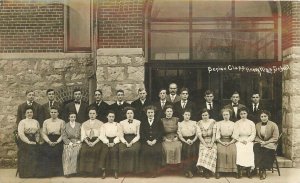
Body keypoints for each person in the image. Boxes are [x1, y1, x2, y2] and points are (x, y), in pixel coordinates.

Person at [39, 106, 65, 177]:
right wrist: (48, 141)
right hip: (48, 139)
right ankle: (48, 173)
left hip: (58, 139)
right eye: (52, 112)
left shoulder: (61, 122)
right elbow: (44, 133)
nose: (53, 113)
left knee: (57, 150)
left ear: (58, 113)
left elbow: (63, 134)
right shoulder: (46, 121)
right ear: (50, 113)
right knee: (45, 150)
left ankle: (57, 172)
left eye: (55, 112)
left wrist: (57, 141)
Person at [254, 110, 279, 180]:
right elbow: (255, 136)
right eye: (262, 116)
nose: (263, 118)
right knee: (255, 148)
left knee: (266, 150)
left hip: (270, 143)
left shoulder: (273, 125)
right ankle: (256, 168)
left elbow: (275, 138)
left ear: (268, 116)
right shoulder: (257, 125)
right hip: (260, 142)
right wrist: (261, 141)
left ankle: (263, 170)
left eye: (265, 116)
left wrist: (266, 142)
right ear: (260, 117)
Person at [78, 108, 104, 176]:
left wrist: (94, 143)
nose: (92, 115)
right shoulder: (84, 124)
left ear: (96, 114)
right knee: (84, 151)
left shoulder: (101, 123)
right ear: (88, 114)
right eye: (90, 113)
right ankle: (85, 172)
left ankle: (95, 173)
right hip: (87, 140)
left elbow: (101, 135)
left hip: (97, 141)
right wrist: (88, 142)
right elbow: (83, 135)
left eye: (93, 113)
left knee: (96, 150)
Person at [139, 105, 164, 177]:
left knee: (156, 151)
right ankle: (147, 171)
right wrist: (147, 141)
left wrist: (155, 140)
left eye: (151, 112)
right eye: (148, 112)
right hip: (146, 141)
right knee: (145, 152)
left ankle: (155, 171)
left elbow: (161, 132)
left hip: (156, 141)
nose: (150, 114)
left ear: (154, 113)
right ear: (146, 113)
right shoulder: (143, 122)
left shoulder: (158, 121)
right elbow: (141, 133)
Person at [17, 106, 40, 178]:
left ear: (33, 113)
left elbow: (38, 132)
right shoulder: (22, 122)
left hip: (34, 139)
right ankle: (26, 174)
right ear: (25, 114)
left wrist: (37, 140)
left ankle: (35, 173)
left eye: (31, 112)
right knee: (28, 151)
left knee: (39, 150)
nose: (29, 114)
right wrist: (28, 142)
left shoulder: (36, 121)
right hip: (25, 140)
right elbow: (21, 134)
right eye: (28, 112)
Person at [233, 107, 256, 179]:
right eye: (241, 114)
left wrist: (248, 140)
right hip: (240, 140)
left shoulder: (251, 123)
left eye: (244, 113)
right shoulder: (237, 123)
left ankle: (249, 170)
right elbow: (235, 134)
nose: (243, 115)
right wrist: (240, 140)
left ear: (247, 114)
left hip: (248, 140)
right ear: (239, 115)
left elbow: (253, 134)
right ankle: (239, 170)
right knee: (239, 148)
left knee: (249, 149)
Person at [215, 108, 237, 179]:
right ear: (222, 115)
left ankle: (233, 171)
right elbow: (217, 135)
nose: (225, 116)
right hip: (221, 140)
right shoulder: (219, 123)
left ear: (230, 115)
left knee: (233, 151)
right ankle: (219, 171)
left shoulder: (233, 124)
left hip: (231, 140)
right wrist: (221, 142)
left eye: (227, 114)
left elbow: (235, 135)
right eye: (224, 115)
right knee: (220, 152)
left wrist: (230, 142)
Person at [119, 107, 141, 174]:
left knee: (134, 150)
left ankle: (134, 170)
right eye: (128, 113)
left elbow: (138, 135)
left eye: (131, 113)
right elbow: (120, 135)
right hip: (125, 138)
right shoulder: (122, 123)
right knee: (122, 150)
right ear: (126, 114)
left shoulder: (138, 122)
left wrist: (132, 142)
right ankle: (123, 170)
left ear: (133, 114)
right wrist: (125, 142)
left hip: (134, 139)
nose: (129, 115)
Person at [99, 111, 121, 179]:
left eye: (113, 117)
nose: (111, 118)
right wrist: (107, 142)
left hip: (115, 141)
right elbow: (102, 135)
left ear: (114, 117)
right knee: (104, 151)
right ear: (107, 117)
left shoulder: (117, 125)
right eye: (110, 116)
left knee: (114, 151)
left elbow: (120, 135)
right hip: (106, 141)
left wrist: (114, 142)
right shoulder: (104, 125)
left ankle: (115, 171)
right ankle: (104, 171)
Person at [196, 108, 217, 179]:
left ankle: (210, 170)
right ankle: (205, 171)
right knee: (204, 151)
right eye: (203, 115)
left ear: (209, 115)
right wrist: (205, 145)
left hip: (211, 141)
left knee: (213, 151)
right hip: (203, 141)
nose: (205, 116)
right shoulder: (198, 123)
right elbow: (199, 136)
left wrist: (211, 144)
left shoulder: (213, 122)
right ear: (201, 116)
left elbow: (214, 135)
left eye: (206, 115)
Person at [177, 109, 198, 178]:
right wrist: (186, 141)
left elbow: (197, 134)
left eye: (188, 115)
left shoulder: (194, 123)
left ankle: (193, 170)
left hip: (193, 139)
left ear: (190, 116)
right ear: (183, 115)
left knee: (194, 151)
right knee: (186, 152)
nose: (187, 116)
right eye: (185, 115)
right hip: (184, 140)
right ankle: (187, 170)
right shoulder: (180, 124)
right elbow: (180, 135)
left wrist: (193, 140)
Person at [62, 112, 82, 177]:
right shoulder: (65, 125)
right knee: (67, 152)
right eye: (71, 117)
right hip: (68, 142)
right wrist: (70, 143)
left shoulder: (79, 125)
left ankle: (76, 171)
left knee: (76, 152)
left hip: (77, 142)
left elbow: (81, 135)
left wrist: (77, 142)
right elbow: (64, 136)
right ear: (69, 118)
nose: (73, 118)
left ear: (75, 118)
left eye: (74, 117)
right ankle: (68, 172)